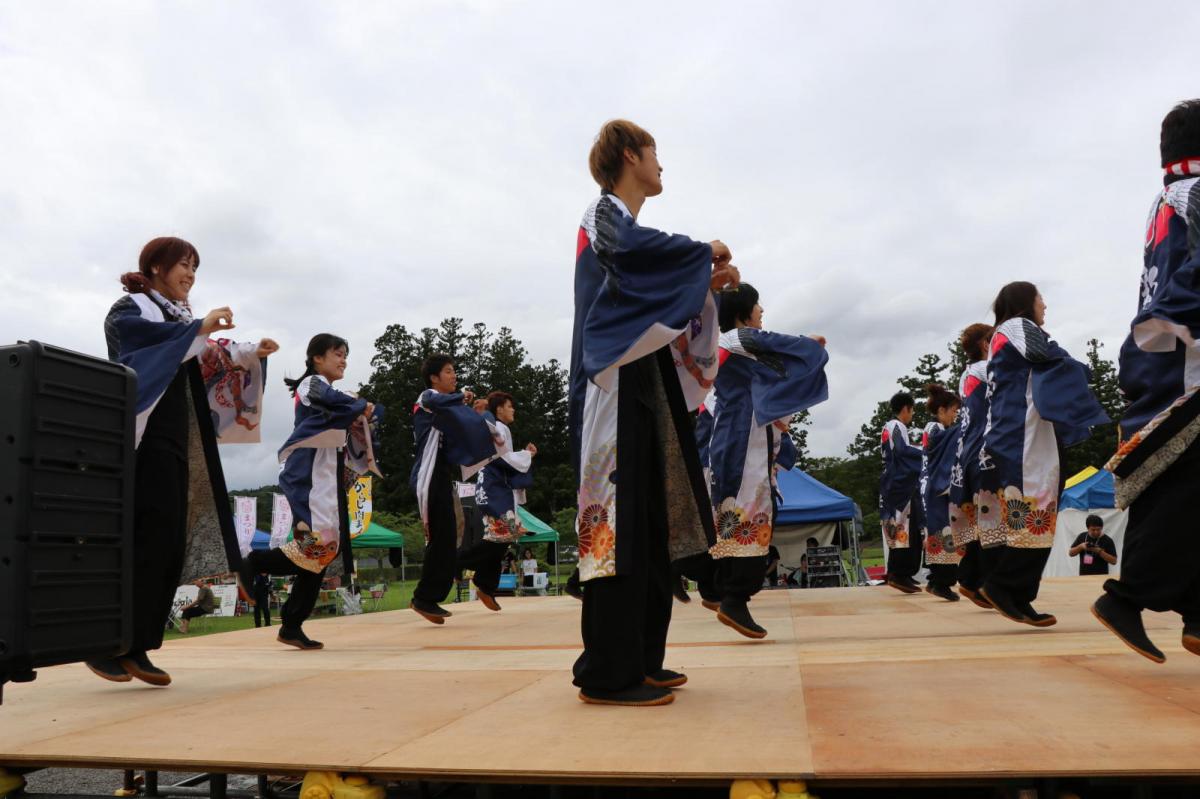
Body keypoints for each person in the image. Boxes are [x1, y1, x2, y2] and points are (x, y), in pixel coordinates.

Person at [569, 118, 736, 706]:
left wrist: (704, 285)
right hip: (611, 383)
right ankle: (607, 671)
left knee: (651, 520)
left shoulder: (625, 226)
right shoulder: (603, 215)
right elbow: (637, 257)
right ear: (630, 154)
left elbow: (649, 288)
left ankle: (641, 659)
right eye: (655, 152)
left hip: (639, 379)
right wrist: (699, 253)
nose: (661, 164)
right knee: (618, 526)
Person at [89, 236, 278, 687]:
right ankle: (105, 643)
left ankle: (138, 644)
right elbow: (139, 343)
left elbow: (210, 353)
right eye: (182, 264)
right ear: (155, 267)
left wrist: (250, 351)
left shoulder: (178, 319)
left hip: (175, 437)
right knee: (142, 536)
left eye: (195, 266)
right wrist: (196, 330)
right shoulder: (131, 308)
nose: (190, 274)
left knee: (168, 539)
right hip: (141, 435)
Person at [1093, 99, 1200, 663]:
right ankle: (1128, 595)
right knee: (1184, 483)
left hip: (1164, 355)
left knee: (1177, 481)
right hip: (1188, 359)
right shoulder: (1197, 191)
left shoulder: (1166, 200)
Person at [976, 282, 1108, 627]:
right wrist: (1080, 368)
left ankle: (1017, 595)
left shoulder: (1001, 335)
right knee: (1036, 512)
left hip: (1019, 433)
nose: (1044, 305)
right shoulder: (1017, 326)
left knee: (1038, 515)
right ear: (1025, 303)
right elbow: (1040, 352)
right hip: (1023, 436)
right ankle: (1004, 587)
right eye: (1040, 299)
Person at [239, 334, 382, 651]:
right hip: (308, 472)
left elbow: (358, 417)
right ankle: (254, 562)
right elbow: (336, 402)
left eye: (346, 354)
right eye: (337, 353)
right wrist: (361, 406)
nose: (343, 359)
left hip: (325, 476)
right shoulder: (311, 384)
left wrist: (367, 414)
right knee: (318, 546)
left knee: (324, 550)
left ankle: (291, 624)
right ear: (317, 358)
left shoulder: (333, 393)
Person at [705, 283, 829, 637]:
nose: (762, 313)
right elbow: (789, 348)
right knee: (751, 513)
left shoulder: (727, 345)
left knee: (736, 514)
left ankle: (724, 592)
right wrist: (811, 344)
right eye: (758, 307)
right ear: (743, 312)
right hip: (745, 439)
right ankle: (734, 599)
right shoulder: (739, 339)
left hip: (734, 435)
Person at [409, 354, 499, 624]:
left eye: (454, 371)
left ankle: (428, 596)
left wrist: (479, 415)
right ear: (434, 378)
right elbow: (442, 402)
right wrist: (463, 397)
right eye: (448, 371)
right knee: (442, 537)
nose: (454, 375)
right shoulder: (426, 398)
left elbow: (469, 428)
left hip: (441, 476)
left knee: (448, 537)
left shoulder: (446, 409)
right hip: (428, 476)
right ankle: (425, 597)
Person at [459, 390, 537, 611]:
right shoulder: (497, 427)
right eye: (509, 406)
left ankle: (485, 584)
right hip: (494, 490)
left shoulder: (500, 428)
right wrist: (527, 456)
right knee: (499, 538)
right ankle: (455, 565)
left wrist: (524, 455)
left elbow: (506, 460)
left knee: (501, 539)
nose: (513, 410)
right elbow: (503, 459)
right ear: (500, 408)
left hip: (496, 489)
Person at [947, 323, 995, 607]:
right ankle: (990, 582)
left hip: (966, 451)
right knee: (992, 518)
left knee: (979, 520)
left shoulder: (967, 373)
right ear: (985, 344)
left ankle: (970, 579)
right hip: (983, 450)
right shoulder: (985, 370)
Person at [919, 384, 963, 602]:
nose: (955, 416)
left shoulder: (939, 430)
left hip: (936, 485)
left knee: (942, 533)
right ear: (941, 410)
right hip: (935, 486)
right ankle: (941, 582)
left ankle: (936, 580)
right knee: (942, 533)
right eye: (953, 411)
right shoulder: (934, 429)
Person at [880, 392, 925, 593]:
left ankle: (901, 573)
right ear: (906, 408)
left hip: (895, 481)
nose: (912, 414)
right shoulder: (896, 426)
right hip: (899, 483)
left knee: (904, 527)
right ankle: (899, 574)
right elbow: (901, 450)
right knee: (903, 527)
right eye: (912, 409)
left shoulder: (891, 426)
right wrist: (923, 453)